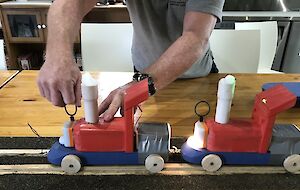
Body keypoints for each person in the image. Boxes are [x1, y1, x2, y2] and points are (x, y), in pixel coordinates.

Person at [37, 0, 225, 122]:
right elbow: (70, 3)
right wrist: (57, 56)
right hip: (144, 73)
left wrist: (140, 85)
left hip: (197, 77)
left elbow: (195, 37)